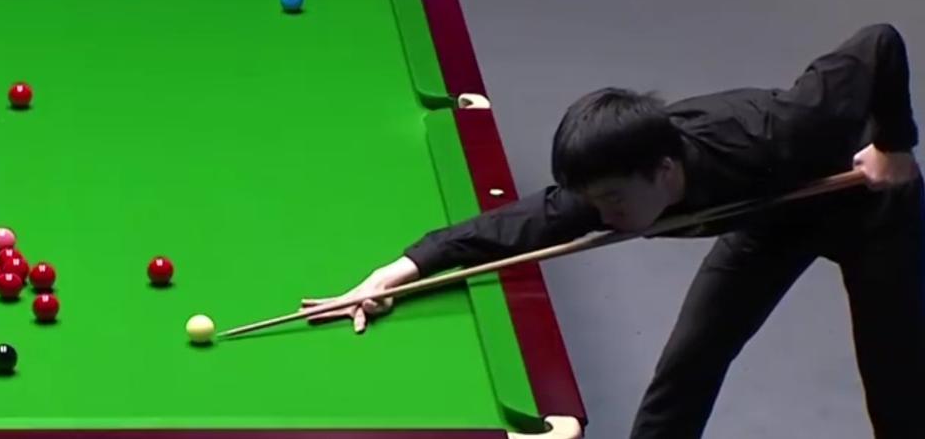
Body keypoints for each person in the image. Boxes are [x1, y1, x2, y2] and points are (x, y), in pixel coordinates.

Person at [302, 24, 923, 438]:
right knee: (689, 363)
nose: (604, 215)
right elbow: (513, 225)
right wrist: (395, 273)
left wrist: (894, 145)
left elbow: (877, 43)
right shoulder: (615, 188)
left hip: (866, 208)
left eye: (613, 200)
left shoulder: (783, 127)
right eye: (593, 201)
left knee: (893, 374)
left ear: (664, 171)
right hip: (765, 217)